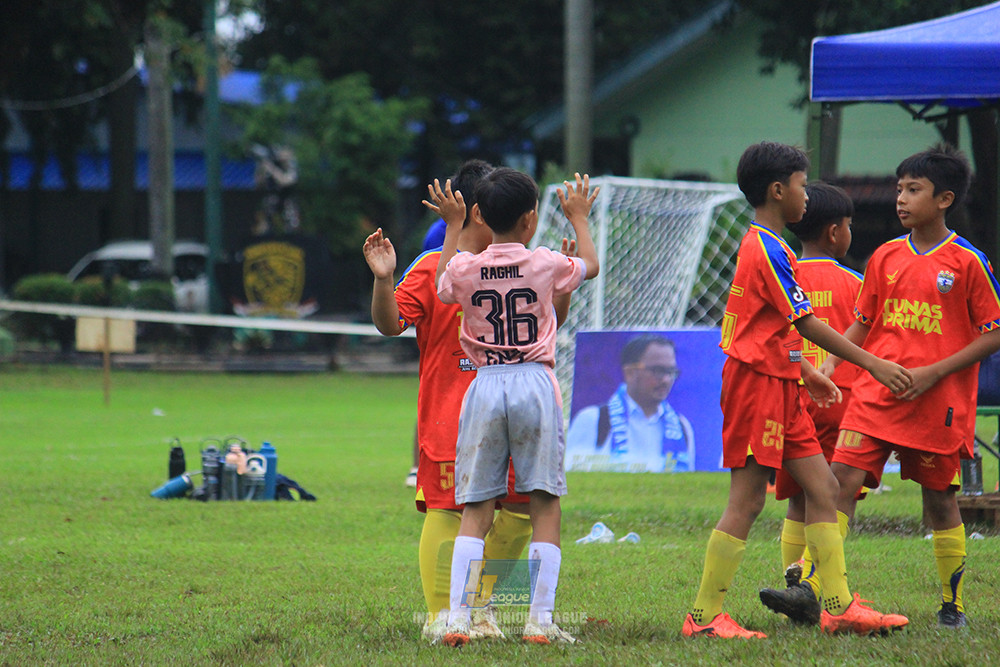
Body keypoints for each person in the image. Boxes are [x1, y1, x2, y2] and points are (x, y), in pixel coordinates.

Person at [683, 141, 912, 639]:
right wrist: (872, 362)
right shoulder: (765, 247)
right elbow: (804, 323)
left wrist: (807, 374)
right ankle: (702, 617)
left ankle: (837, 606)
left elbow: (760, 323)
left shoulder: (772, 246)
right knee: (746, 502)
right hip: (755, 386)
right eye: (803, 185)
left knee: (825, 488)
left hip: (782, 385)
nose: (807, 196)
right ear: (778, 189)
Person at [771, 143, 1000, 629]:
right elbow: (863, 322)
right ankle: (813, 585)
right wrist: (831, 368)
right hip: (875, 396)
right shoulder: (884, 257)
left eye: (912, 190)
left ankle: (951, 604)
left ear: (944, 199)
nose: (900, 199)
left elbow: (994, 332)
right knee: (840, 484)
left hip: (936, 402)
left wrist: (935, 372)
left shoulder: (967, 263)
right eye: (898, 189)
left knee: (939, 500)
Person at [363, 159, 534, 643]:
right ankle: (445, 616)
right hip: (449, 420)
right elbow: (390, 324)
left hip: (514, 414)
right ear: (480, 211)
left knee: (521, 510)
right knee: (448, 511)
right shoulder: (431, 266)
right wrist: (382, 279)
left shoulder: (522, 263)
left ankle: (479, 603)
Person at [429, 169, 600, 646]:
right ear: (531, 219)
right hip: (534, 382)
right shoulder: (545, 262)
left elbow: (444, 288)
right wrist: (580, 217)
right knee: (544, 504)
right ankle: (539, 623)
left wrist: (451, 226)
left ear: (479, 214)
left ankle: (459, 618)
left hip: (485, 384)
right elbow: (590, 265)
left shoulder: (465, 268)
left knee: (476, 507)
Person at [758, 182, 867, 623]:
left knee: (799, 498)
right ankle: (816, 584)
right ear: (837, 232)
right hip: (843, 402)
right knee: (838, 497)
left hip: (795, 400)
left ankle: (795, 582)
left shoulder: (784, 273)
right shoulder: (857, 284)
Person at [565, 334, 695, 472]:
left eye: (671, 372)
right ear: (630, 373)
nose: (666, 380)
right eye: (658, 371)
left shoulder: (682, 427)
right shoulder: (593, 420)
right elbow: (573, 476)